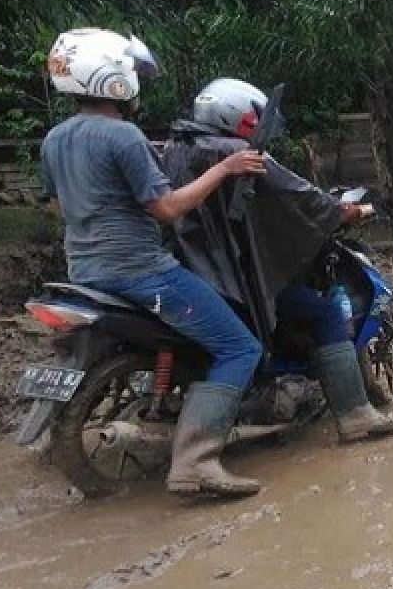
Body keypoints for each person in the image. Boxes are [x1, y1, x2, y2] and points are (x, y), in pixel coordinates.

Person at [40, 28, 268, 499]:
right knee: (241, 347)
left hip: (83, 272)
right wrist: (224, 168)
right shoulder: (124, 136)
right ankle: (196, 463)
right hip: (140, 271)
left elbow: (60, 209)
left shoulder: (55, 138)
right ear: (115, 77)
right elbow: (166, 209)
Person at [163, 78, 393, 440]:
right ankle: (356, 416)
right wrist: (343, 211)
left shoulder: (174, 148)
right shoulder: (239, 154)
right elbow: (297, 197)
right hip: (233, 275)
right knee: (324, 313)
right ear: (239, 115)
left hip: (191, 268)